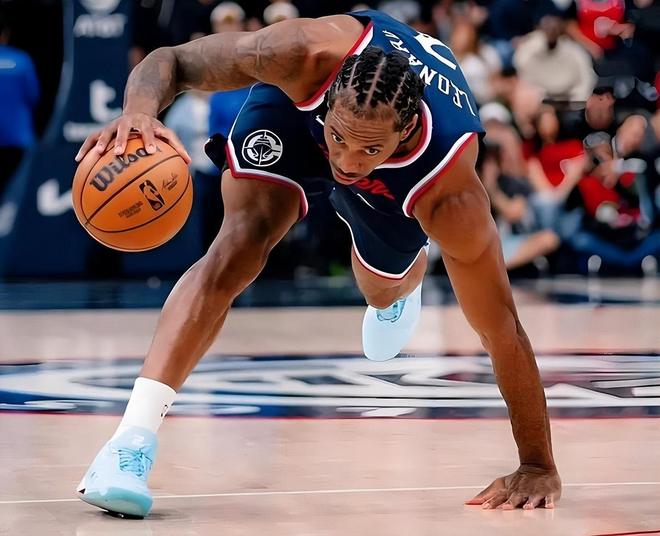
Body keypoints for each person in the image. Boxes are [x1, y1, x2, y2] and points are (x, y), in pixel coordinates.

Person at [74, 9, 561, 517]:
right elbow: (171, 61)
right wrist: (139, 113)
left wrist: (537, 464)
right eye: (341, 139)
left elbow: (502, 331)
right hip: (296, 120)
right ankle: (129, 445)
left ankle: (403, 273)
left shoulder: (450, 192)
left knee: (379, 288)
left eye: (368, 149)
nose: (347, 161)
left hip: (398, 180)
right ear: (328, 105)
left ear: (406, 130)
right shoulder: (299, 53)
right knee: (238, 246)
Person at [0, 11, 39, 198]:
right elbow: (33, 96)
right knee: (17, 196)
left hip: (15, 140)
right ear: (5, 34)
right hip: (18, 139)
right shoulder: (22, 60)